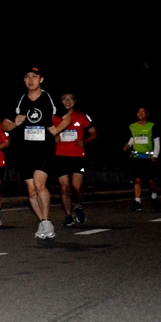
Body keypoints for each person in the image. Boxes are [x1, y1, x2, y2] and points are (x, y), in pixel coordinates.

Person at [2, 66, 72, 240]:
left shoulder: (49, 98)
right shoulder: (19, 100)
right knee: (31, 189)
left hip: (44, 148)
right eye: (27, 77)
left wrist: (57, 130)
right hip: (24, 149)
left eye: (34, 76)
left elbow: (67, 118)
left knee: (39, 183)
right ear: (24, 80)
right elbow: (5, 125)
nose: (30, 80)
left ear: (41, 79)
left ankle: (47, 221)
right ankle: (42, 221)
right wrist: (15, 123)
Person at [53, 94, 98, 226]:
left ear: (75, 101)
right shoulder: (54, 117)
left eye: (70, 99)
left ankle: (78, 205)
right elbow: (45, 134)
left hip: (78, 156)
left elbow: (94, 133)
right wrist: (54, 138)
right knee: (64, 187)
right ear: (60, 101)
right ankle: (68, 215)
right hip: (60, 156)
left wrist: (84, 141)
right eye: (64, 99)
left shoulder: (81, 116)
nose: (67, 101)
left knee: (77, 187)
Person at [123, 106, 160, 212]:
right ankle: (137, 202)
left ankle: (154, 197)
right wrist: (128, 145)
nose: (140, 113)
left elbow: (157, 142)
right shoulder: (132, 126)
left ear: (147, 114)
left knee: (151, 181)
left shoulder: (152, 126)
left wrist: (155, 156)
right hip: (137, 157)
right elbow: (133, 138)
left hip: (149, 158)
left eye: (143, 112)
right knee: (137, 179)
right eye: (139, 112)